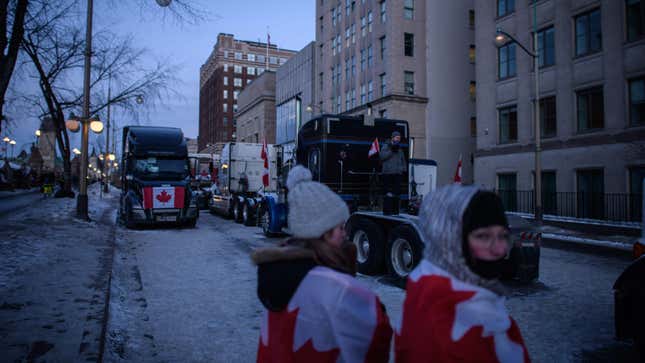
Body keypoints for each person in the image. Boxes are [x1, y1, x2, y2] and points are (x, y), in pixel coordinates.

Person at [252, 165, 392, 362]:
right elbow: (376, 335)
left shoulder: (275, 275)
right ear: (324, 232)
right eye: (340, 227)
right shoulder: (338, 289)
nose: (345, 234)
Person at [395, 185, 531, 362]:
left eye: (502, 236)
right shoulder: (449, 326)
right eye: (483, 236)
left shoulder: (440, 290)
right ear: (451, 242)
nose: (499, 249)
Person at [379, 131, 406, 198]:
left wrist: (403, 169)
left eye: (399, 138)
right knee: (388, 195)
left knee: (396, 194)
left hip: (397, 174)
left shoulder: (400, 148)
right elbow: (382, 157)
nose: (398, 139)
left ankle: (395, 207)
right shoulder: (386, 146)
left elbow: (403, 159)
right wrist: (391, 151)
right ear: (392, 138)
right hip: (388, 173)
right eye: (397, 138)